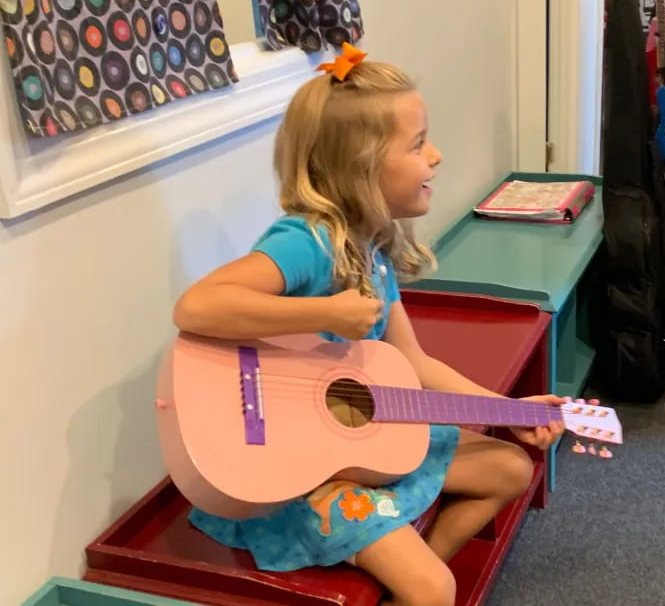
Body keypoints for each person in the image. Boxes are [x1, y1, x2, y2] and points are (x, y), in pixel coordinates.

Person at [172, 43, 566, 605]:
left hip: (353, 444)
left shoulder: (371, 250)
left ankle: (396, 575)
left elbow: (415, 364)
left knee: (507, 467)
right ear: (361, 166)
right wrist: (325, 312)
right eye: (417, 144)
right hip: (295, 478)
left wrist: (509, 413)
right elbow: (197, 306)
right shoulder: (306, 243)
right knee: (434, 591)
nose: (437, 156)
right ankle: (411, 579)